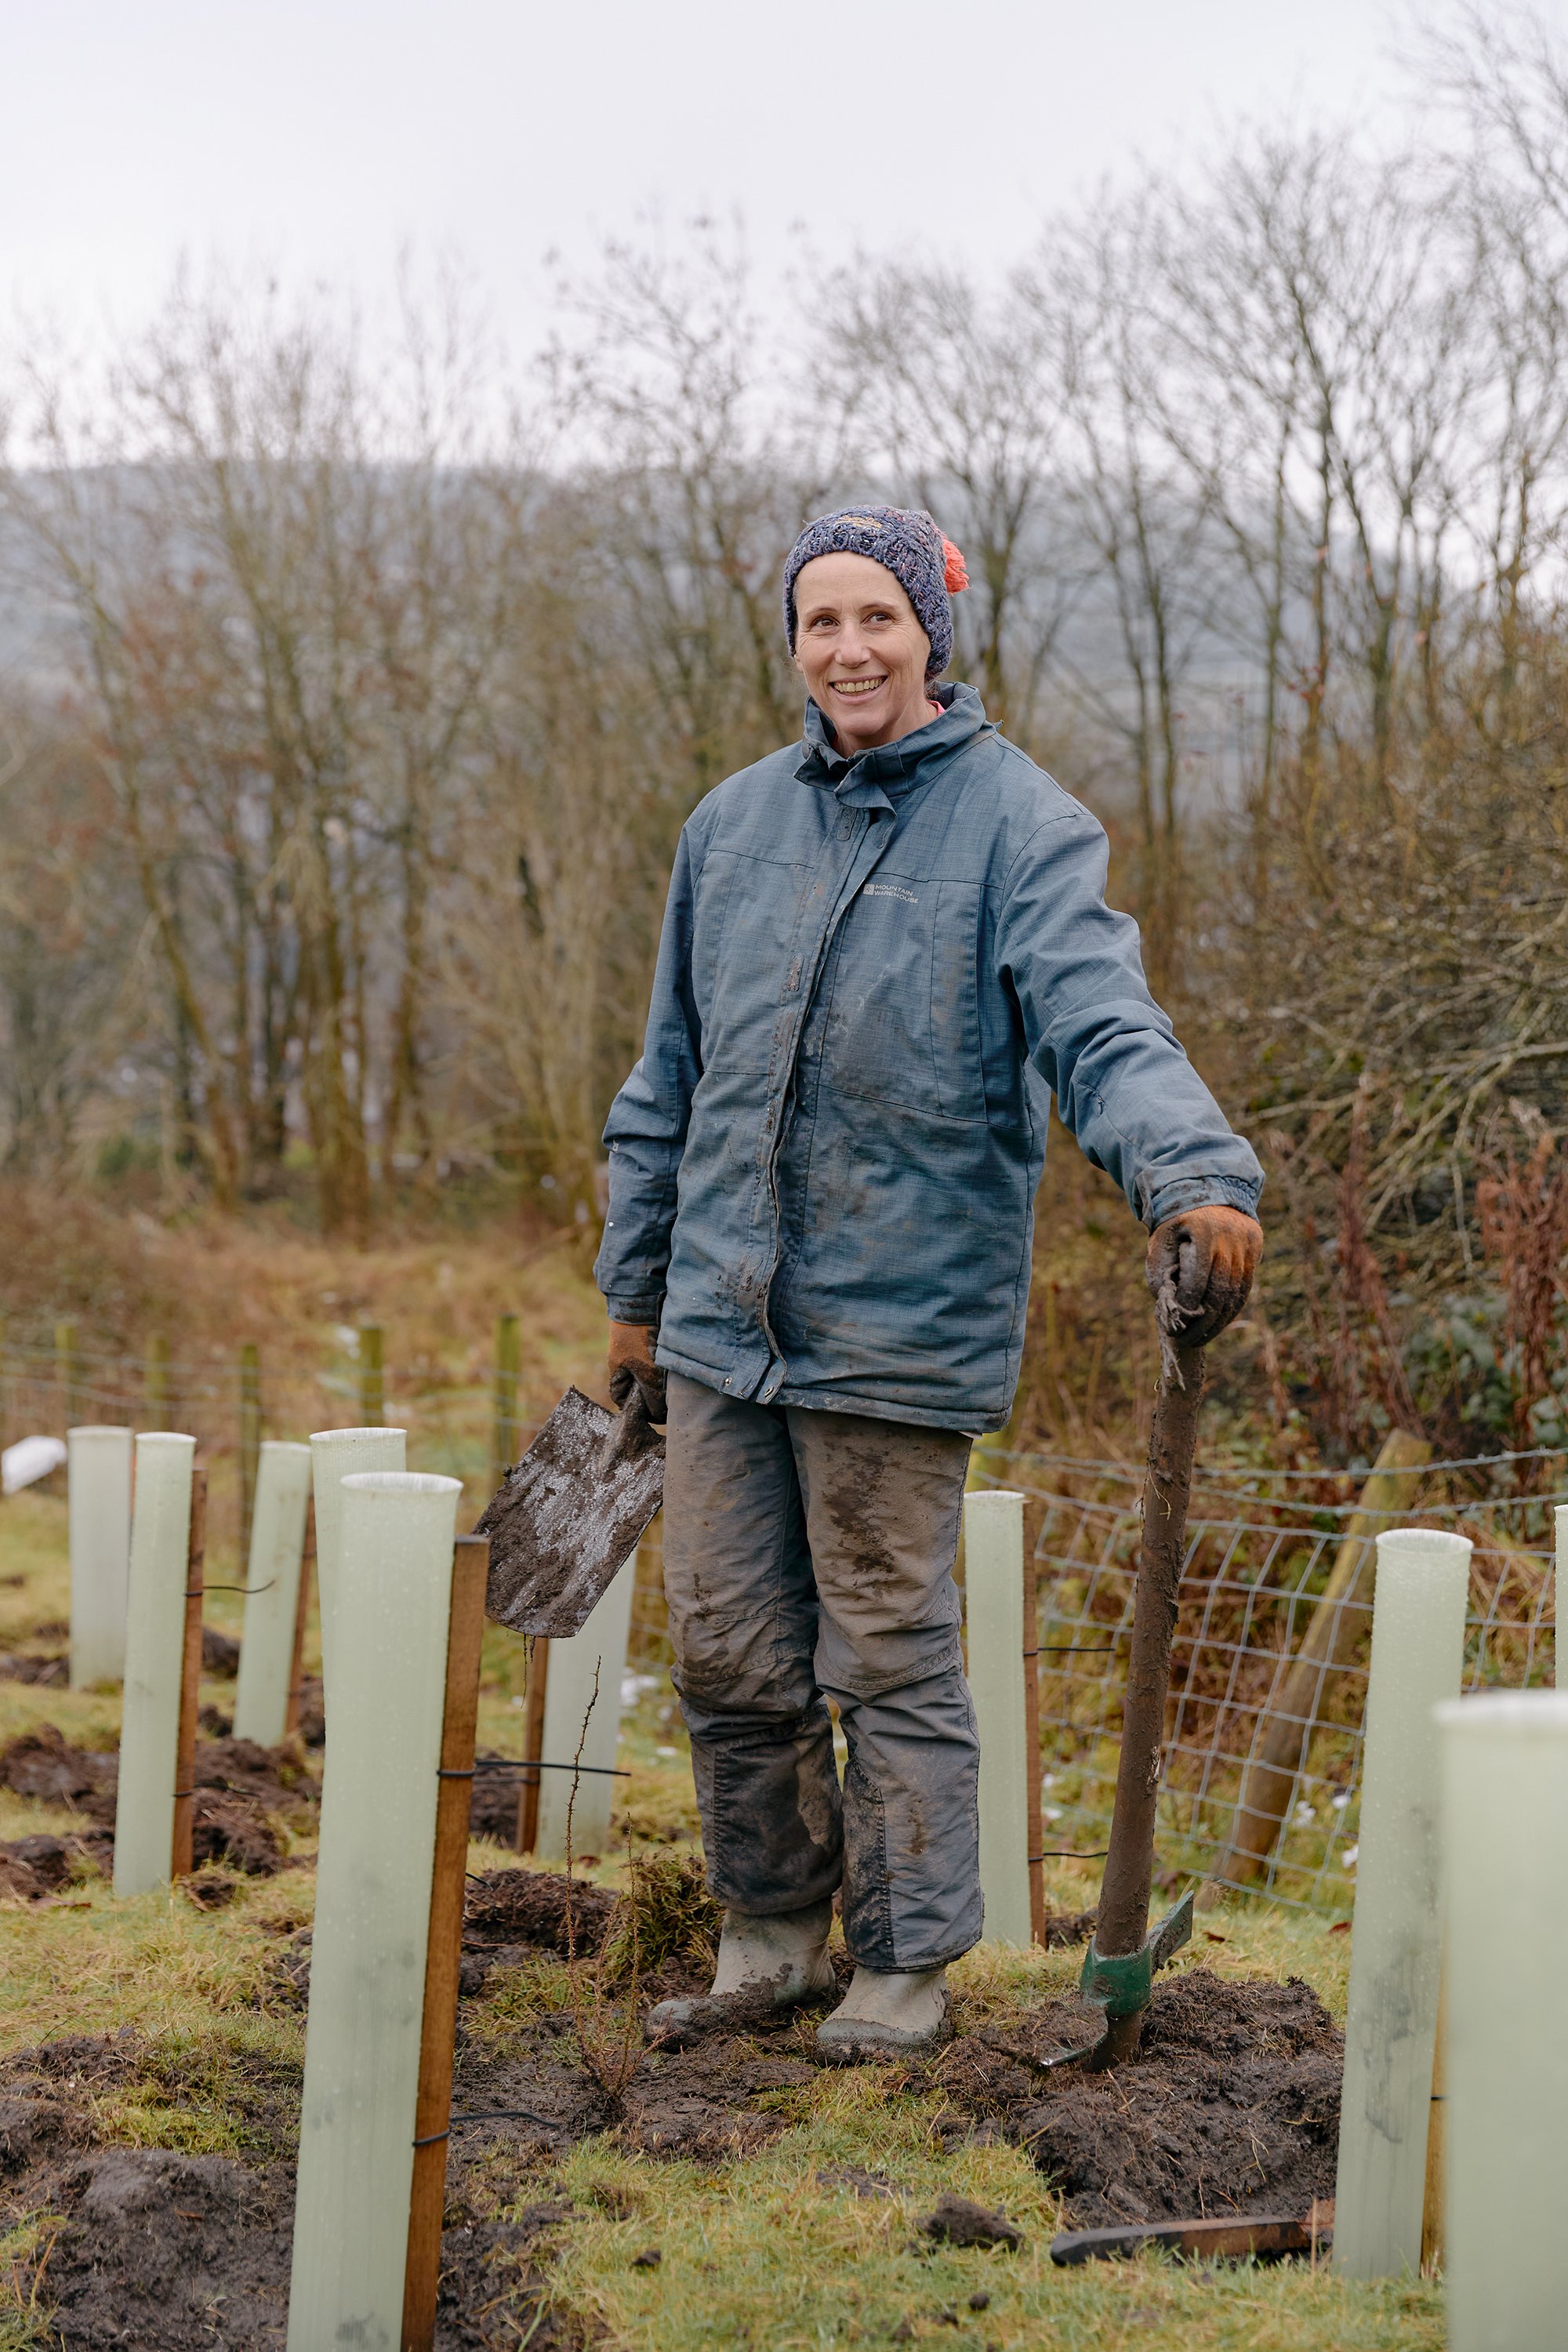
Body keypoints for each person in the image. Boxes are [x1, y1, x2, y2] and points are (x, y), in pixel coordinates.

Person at [594, 503, 1263, 2058]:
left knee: (884, 1656)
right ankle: (767, 1937)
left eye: (876, 621)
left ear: (930, 638)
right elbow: (667, 1077)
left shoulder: (1024, 831)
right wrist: (636, 1290)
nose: (848, 650)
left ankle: (902, 1965)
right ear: (792, 645)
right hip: (717, 1325)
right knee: (723, 1645)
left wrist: (1195, 1173)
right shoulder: (730, 825)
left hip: (896, 1329)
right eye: (820, 624)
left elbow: (1101, 1024)